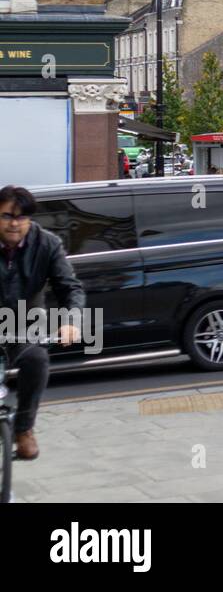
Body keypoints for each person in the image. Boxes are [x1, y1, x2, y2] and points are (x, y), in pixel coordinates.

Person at [0, 186, 84, 461]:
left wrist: (71, 320)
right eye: (7, 216)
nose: (14, 223)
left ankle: (24, 429)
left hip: (26, 323)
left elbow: (70, 288)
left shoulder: (47, 244)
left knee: (36, 359)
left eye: (22, 217)